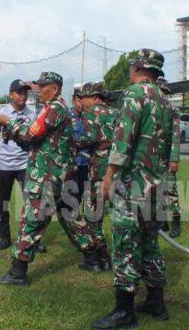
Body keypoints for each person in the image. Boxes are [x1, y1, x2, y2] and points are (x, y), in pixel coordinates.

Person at [0, 71, 100, 286]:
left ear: (55, 88)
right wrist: (10, 130)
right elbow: (34, 141)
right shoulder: (53, 109)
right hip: (59, 177)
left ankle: (17, 272)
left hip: (48, 178)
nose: (38, 91)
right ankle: (94, 258)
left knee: (31, 220)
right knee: (71, 219)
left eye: (43, 87)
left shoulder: (54, 109)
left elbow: (30, 134)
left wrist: (7, 121)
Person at [93, 49, 174, 329]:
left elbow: (123, 139)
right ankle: (156, 301)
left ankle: (124, 311)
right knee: (151, 244)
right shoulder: (165, 99)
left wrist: (109, 175)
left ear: (137, 68)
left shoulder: (134, 94)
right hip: (158, 185)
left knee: (126, 244)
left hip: (134, 185)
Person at [0, 79, 37, 251]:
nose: (23, 95)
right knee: (3, 203)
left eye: (25, 92)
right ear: (11, 94)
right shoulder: (0, 113)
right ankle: (4, 238)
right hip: (5, 166)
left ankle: (32, 239)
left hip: (25, 165)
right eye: (19, 92)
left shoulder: (32, 114)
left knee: (31, 203)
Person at [75, 81, 117, 272]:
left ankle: (102, 258)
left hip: (99, 171)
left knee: (93, 214)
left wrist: (72, 142)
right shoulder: (115, 113)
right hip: (117, 170)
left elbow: (89, 138)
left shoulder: (91, 113)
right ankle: (112, 258)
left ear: (94, 97)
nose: (81, 102)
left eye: (83, 97)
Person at [156, 76, 183, 238]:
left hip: (167, 158)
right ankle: (162, 222)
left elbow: (176, 136)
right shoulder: (150, 108)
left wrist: (174, 159)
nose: (162, 94)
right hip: (152, 159)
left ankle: (175, 222)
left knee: (170, 191)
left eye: (164, 92)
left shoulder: (172, 110)